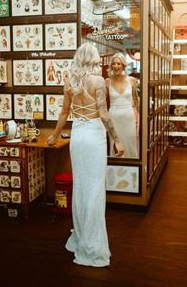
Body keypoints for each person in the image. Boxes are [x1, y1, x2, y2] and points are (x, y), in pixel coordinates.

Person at [47, 43, 124, 267]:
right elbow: (103, 113)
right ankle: (92, 247)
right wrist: (117, 139)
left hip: (77, 136)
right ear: (93, 59)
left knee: (81, 188)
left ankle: (81, 237)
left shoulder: (70, 80)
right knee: (94, 190)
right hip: (93, 135)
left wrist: (54, 136)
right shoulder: (98, 81)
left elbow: (63, 112)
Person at [105, 53, 139, 158]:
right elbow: (102, 103)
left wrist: (137, 124)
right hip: (113, 120)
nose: (116, 66)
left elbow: (135, 105)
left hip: (129, 119)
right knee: (114, 147)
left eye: (118, 64)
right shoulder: (107, 82)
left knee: (130, 146)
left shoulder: (132, 81)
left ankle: (132, 173)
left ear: (123, 65)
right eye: (114, 64)